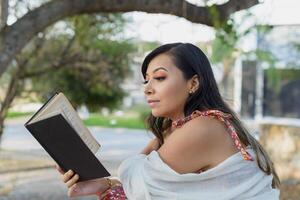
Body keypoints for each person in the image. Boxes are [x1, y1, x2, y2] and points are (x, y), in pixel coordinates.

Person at [57, 43, 280, 199]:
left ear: (193, 83)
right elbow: (140, 185)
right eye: (146, 80)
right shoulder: (186, 126)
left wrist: (109, 184)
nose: (147, 88)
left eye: (160, 77)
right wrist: (102, 184)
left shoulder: (203, 127)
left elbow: (136, 179)